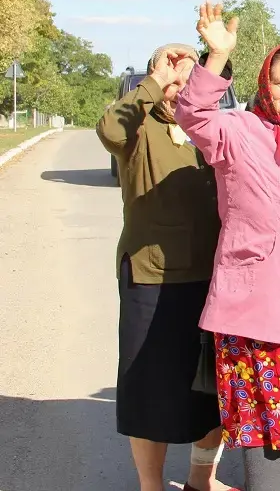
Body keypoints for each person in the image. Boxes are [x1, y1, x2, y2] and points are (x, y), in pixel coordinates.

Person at [175, 2, 280, 491]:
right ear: (264, 86)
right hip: (255, 311)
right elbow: (192, 115)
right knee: (263, 434)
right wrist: (216, 56)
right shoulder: (241, 131)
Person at [98, 43, 231, 491]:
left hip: (213, 280)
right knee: (151, 393)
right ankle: (150, 485)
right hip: (151, 279)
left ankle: (201, 480)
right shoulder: (139, 127)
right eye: (171, 78)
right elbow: (110, 130)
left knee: (212, 392)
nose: (180, 88)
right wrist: (152, 83)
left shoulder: (215, 128)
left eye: (187, 78)